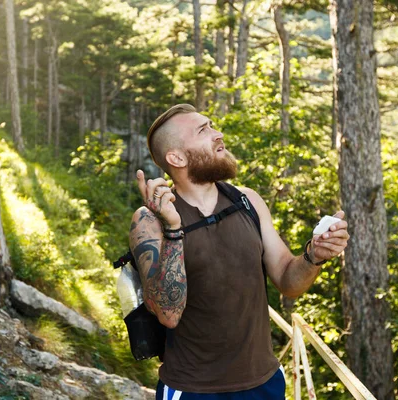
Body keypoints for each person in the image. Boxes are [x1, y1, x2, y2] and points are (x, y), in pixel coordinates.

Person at [129, 104, 349, 399]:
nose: (217, 134)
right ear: (176, 157)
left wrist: (314, 256)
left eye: (212, 126)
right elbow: (168, 314)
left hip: (264, 383)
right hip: (193, 389)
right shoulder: (149, 221)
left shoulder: (248, 201)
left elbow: (288, 281)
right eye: (203, 130)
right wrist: (172, 227)